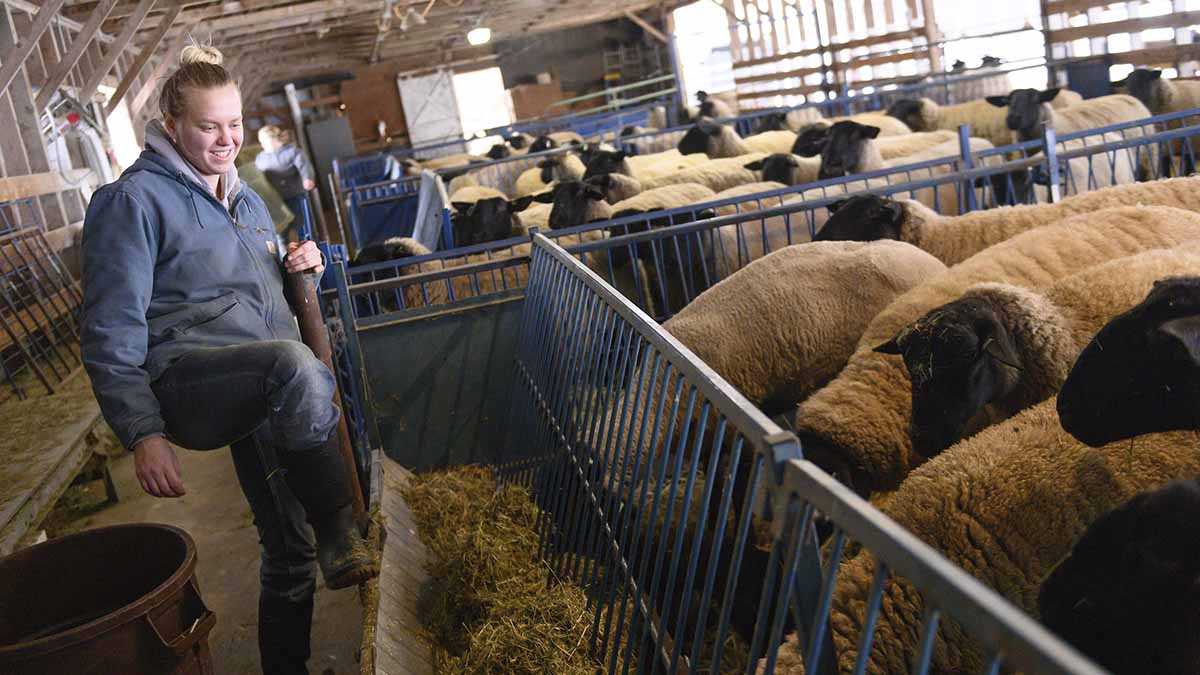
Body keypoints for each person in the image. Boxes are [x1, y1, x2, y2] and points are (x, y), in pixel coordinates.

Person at [80, 45, 377, 675]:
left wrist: (305, 270)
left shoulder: (246, 199)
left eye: (234, 124)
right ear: (171, 126)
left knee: (289, 548)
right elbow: (110, 331)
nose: (226, 139)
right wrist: (143, 433)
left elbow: (263, 291)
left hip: (268, 381)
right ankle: (340, 527)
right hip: (192, 381)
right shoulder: (131, 203)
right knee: (295, 370)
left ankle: (290, 656)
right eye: (208, 126)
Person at [255, 124, 316, 242]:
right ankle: (284, 256)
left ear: (273, 139)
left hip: (296, 196)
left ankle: (312, 250)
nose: (262, 145)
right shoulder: (260, 158)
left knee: (303, 228)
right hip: (276, 202)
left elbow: (304, 166)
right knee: (281, 234)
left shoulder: (292, 152)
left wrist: (307, 179)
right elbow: (258, 178)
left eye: (263, 141)